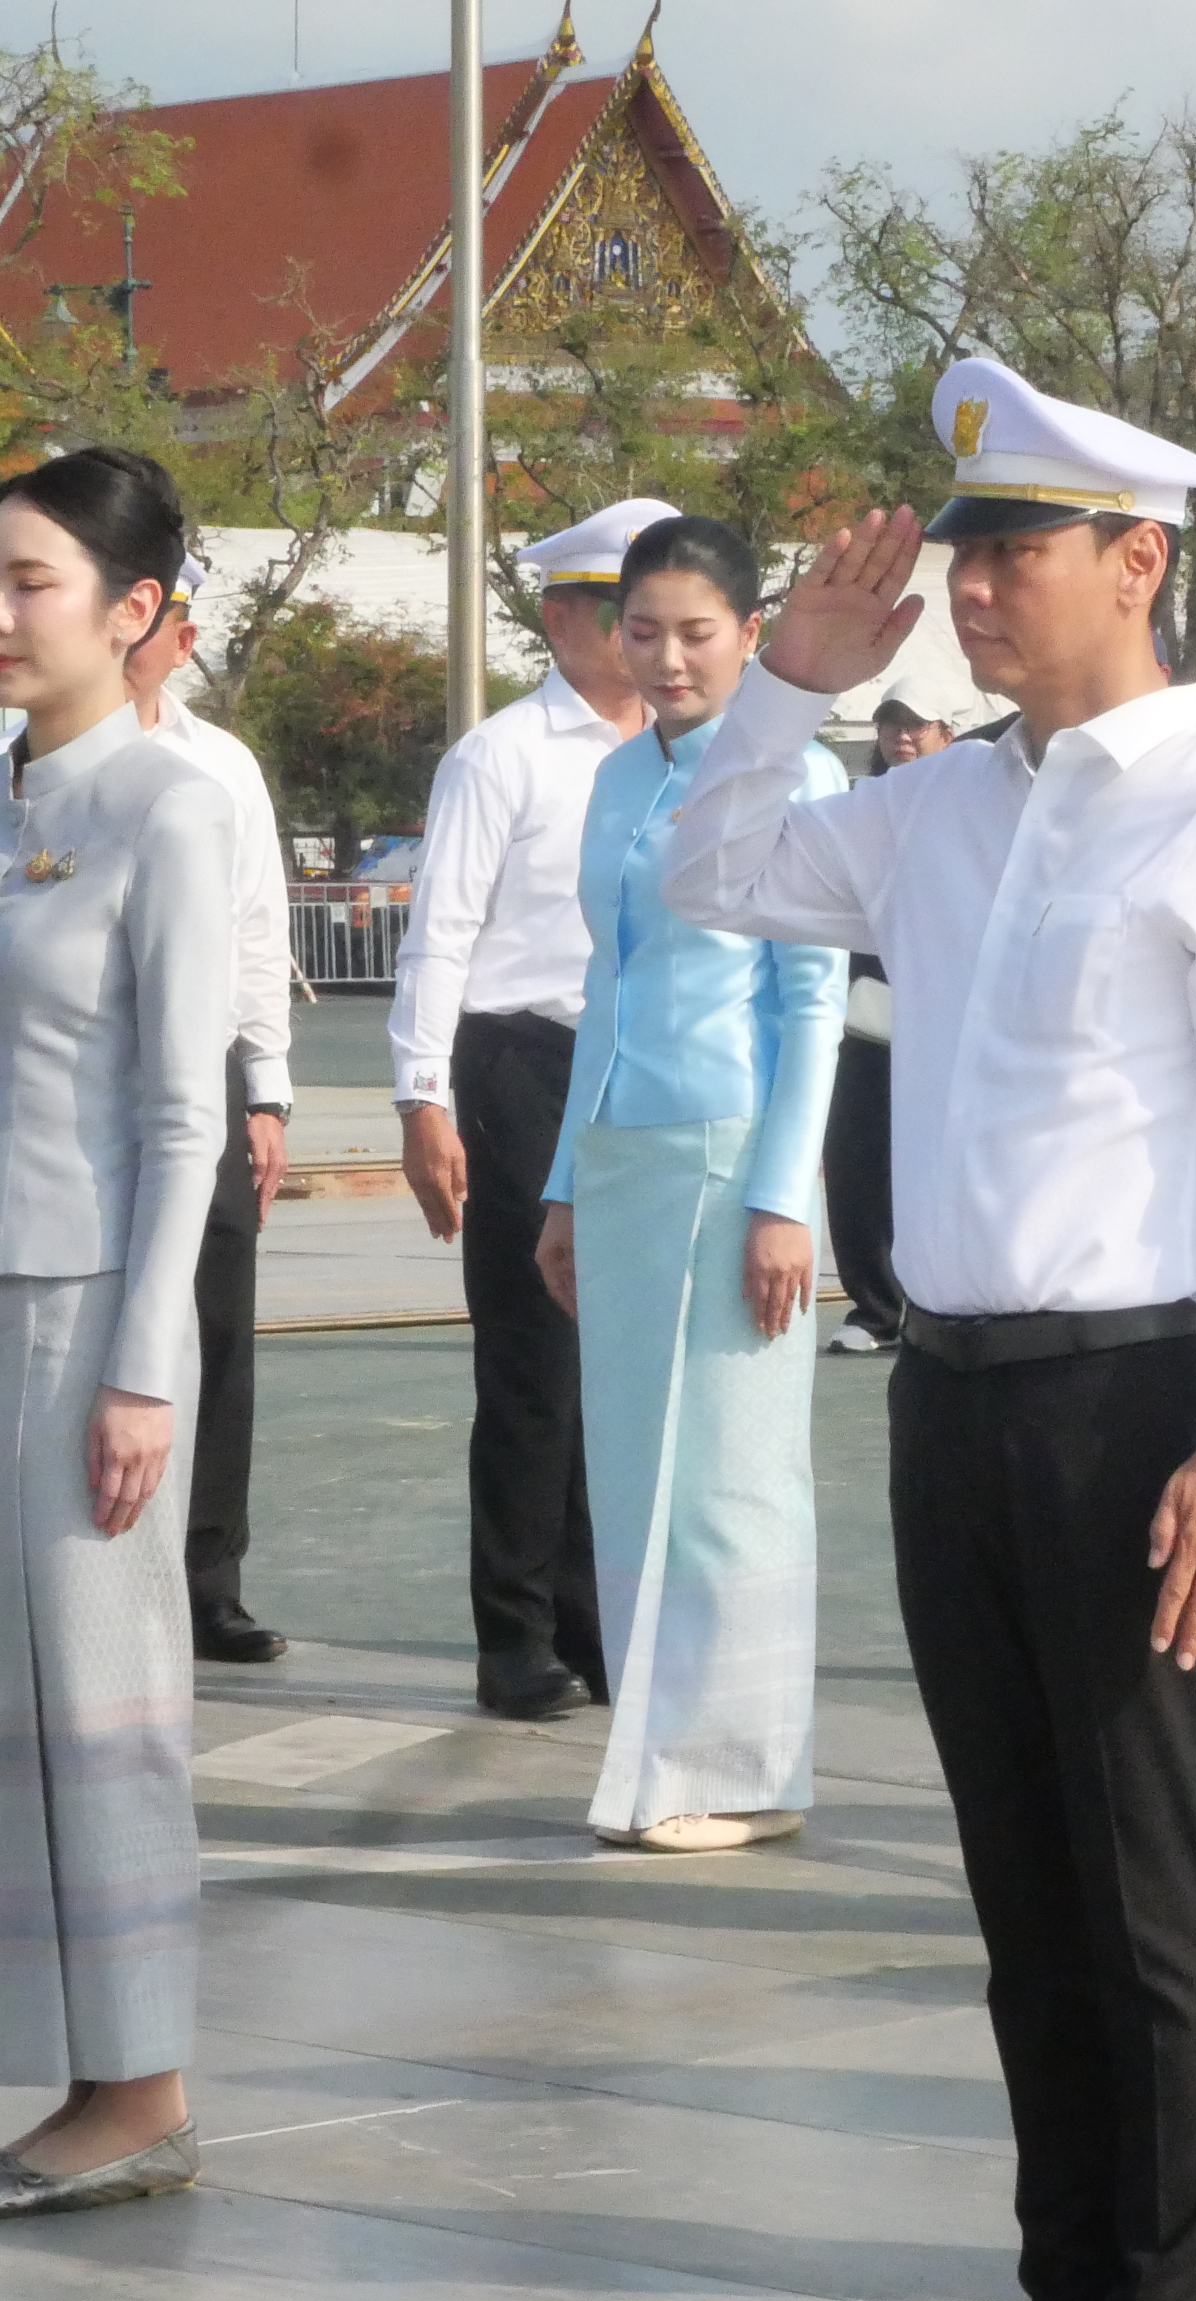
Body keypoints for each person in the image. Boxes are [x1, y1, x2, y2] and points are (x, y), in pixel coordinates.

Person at [665, 360, 1196, 2301]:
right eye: (963, 551)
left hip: (1142, 1399)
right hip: (957, 1404)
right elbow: (712, 870)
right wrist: (786, 680)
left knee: (1150, 1896)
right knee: (1026, 1896)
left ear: (1136, 561)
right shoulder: (941, 802)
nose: (973, 588)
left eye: (1016, 551)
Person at [531, 516, 848, 1857]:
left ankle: (752, 1765)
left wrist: (786, 1201)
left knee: (734, 1473)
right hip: (621, 1154)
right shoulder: (615, 782)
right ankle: (660, 1756)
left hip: (733, 1149)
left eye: (695, 632)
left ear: (751, 633)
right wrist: (559, 1185)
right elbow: (601, 987)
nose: (665, 657)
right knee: (633, 1467)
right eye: (642, 630)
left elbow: (813, 1002)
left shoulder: (804, 777)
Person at [0, 447, 233, 2218]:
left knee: (105, 1700)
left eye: (31, 584)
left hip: (89, 1304)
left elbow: (183, 1119)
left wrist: (149, 1366)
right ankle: (64, 2058)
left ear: (134, 608)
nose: (2, 616)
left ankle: (138, 2084)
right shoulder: (5, 795)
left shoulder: (172, 806)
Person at [389, 497, 678, 1719]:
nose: (651, 642)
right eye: (624, 614)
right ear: (563, 617)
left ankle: (593, 1618)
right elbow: (439, 928)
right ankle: (512, 1633)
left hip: (639, 1068)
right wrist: (421, 1096)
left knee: (619, 1365)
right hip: (516, 1061)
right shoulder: (504, 754)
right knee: (532, 1359)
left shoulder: (679, 751)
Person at [129, 554, 296, 1668]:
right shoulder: (15, 754)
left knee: (218, 1323)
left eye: (171, 626)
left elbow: (256, 928)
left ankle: (207, 1576)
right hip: (77, 1072)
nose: (159, 646)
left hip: (212, 1064)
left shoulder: (221, 764)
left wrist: (270, 1086)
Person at [817, 691, 957, 1359]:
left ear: (947, 731)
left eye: (917, 723)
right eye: (891, 723)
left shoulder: (975, 804)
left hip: (952, 1013)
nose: (902, 736)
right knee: (858, 1157)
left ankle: (935, 1303)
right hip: (870, 1009)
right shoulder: (861, 804)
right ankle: (874, 1309)